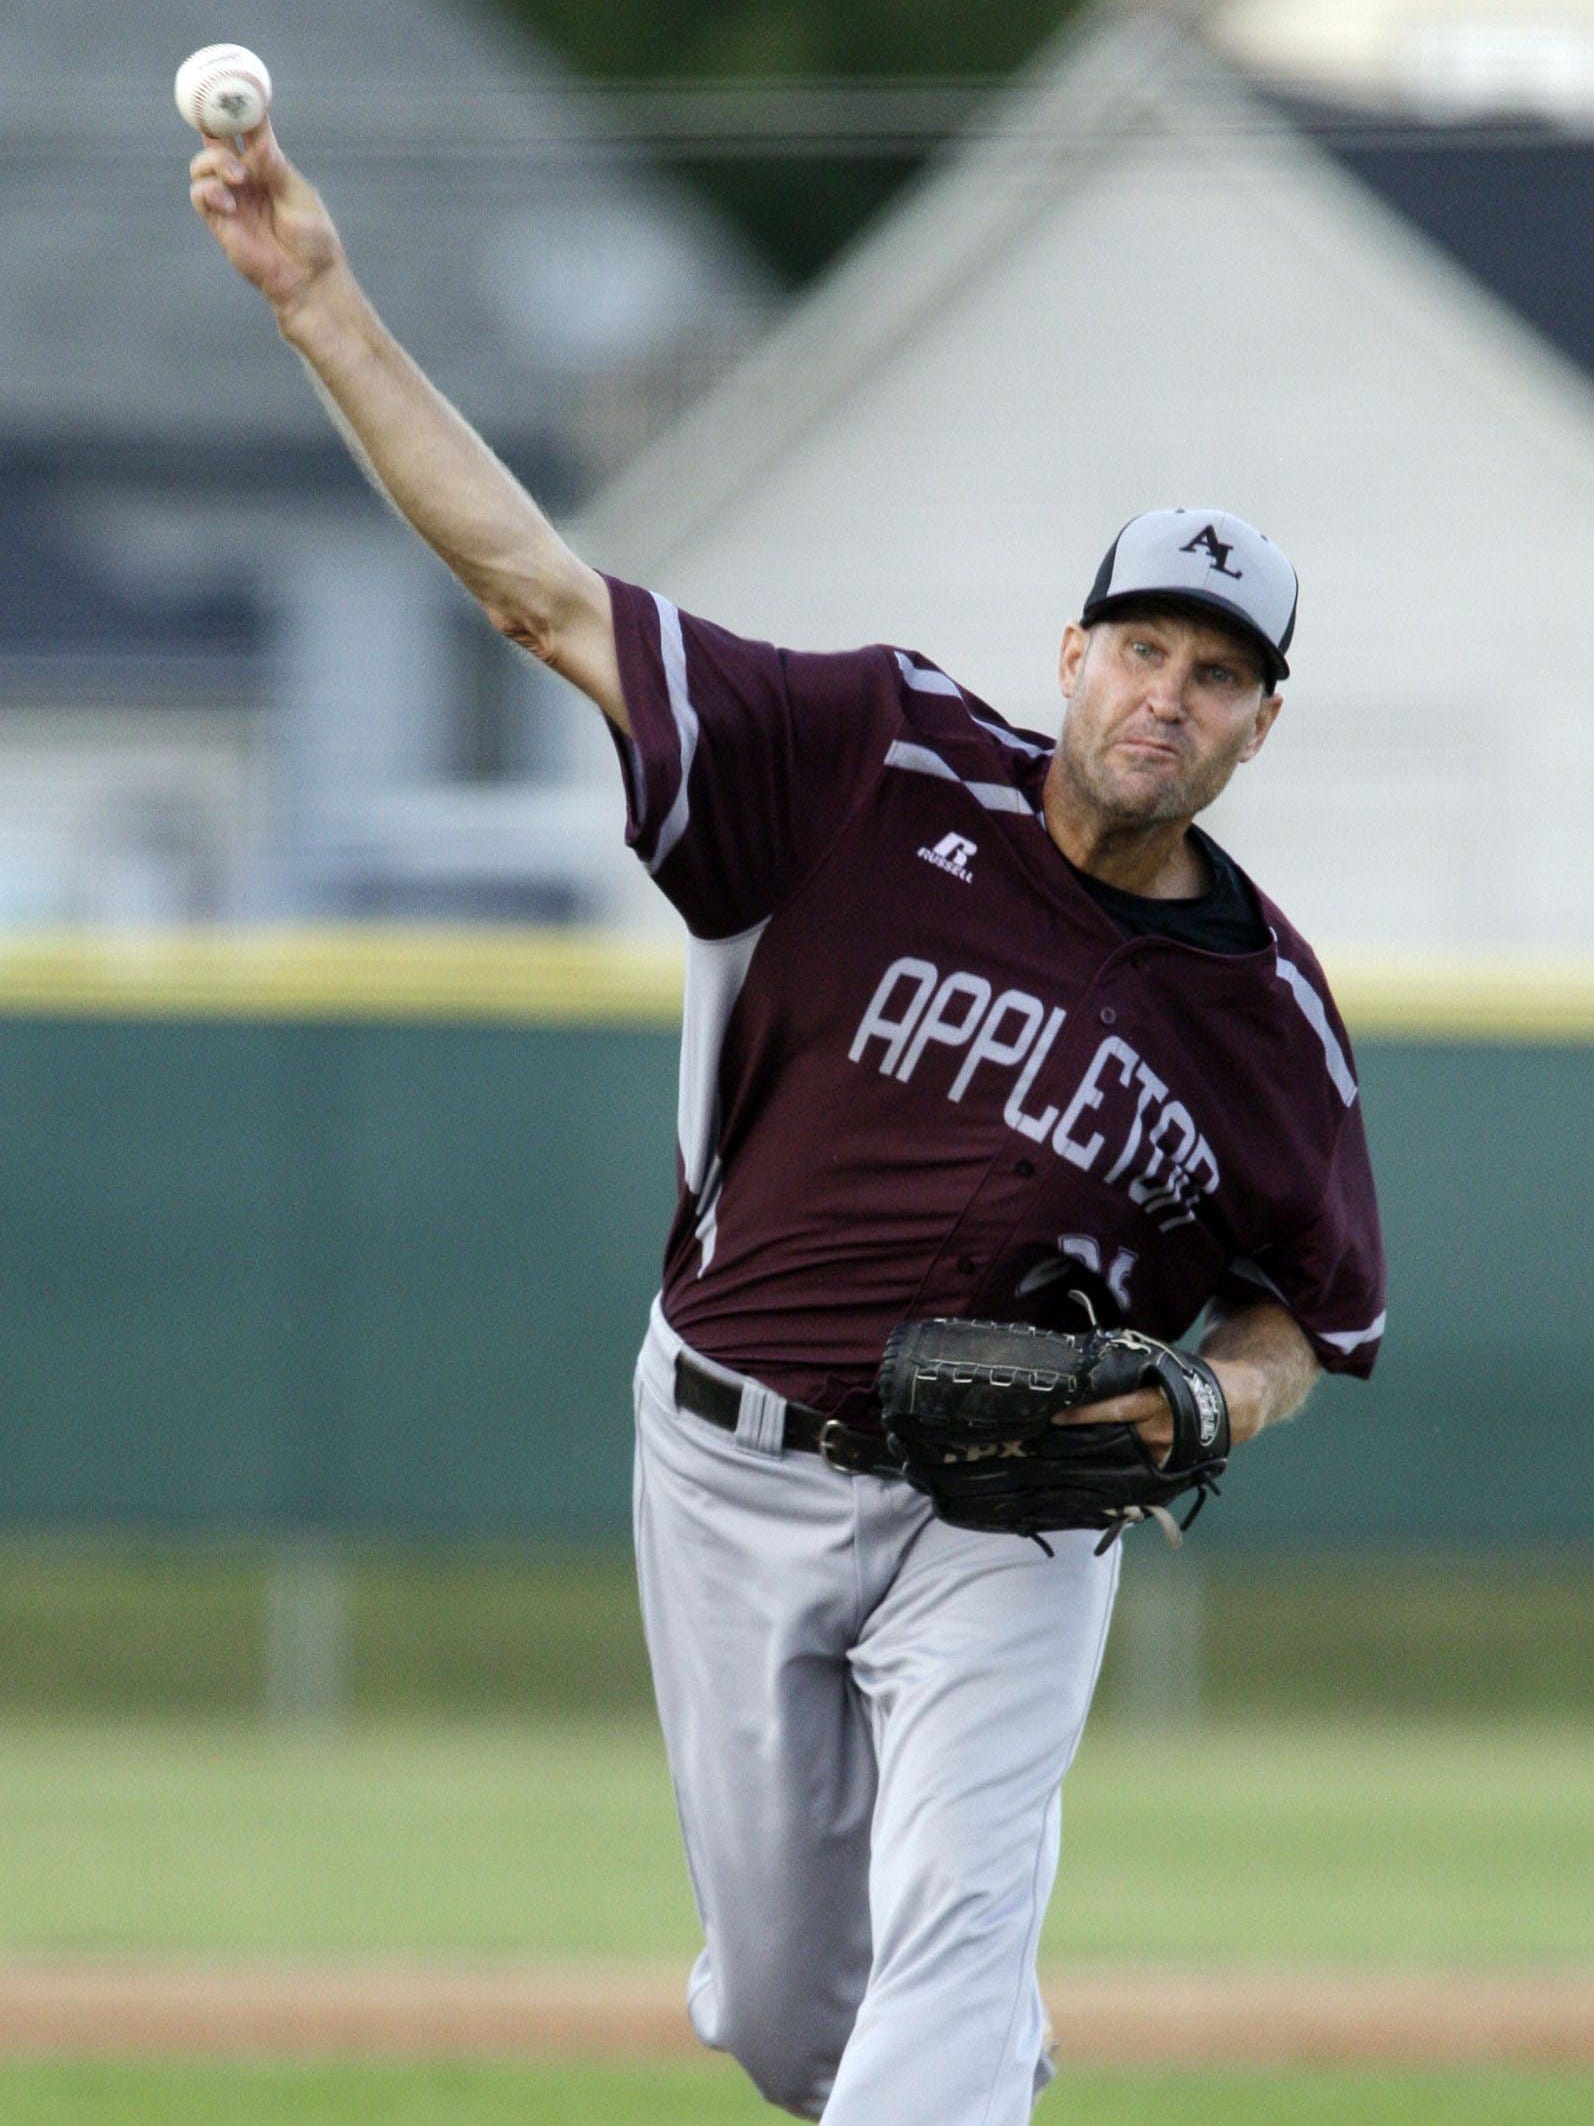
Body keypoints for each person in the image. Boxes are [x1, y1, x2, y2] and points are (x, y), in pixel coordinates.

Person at [189, 123, 1386, 2123]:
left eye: (1218, 674)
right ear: (1070, 650)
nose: (1168, 695)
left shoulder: (1268, 1021)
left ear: (1261, 723)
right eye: (1143, 646)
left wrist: (1200, 1411)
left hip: (1014, 1517)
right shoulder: (864, 754)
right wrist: (318, 299)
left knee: (952, 1933)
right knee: (777, 2008)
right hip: (728, 1459)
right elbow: (537, 598)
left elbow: (1302, 1318)